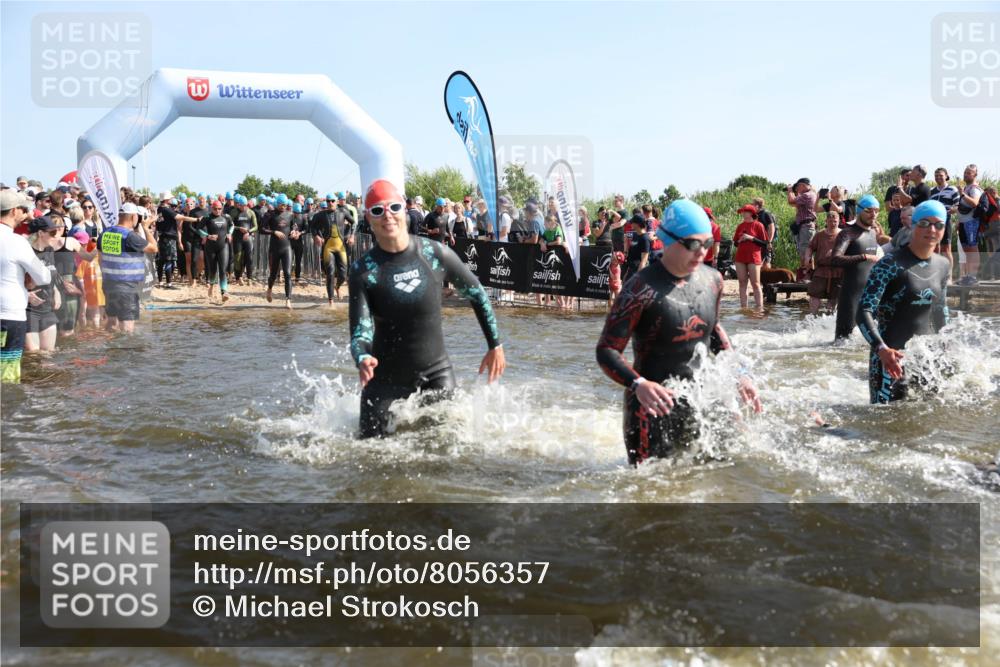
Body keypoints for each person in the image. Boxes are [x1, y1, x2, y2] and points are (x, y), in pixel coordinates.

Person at [596, 199, 762, 466]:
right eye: (694, 244)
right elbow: (607, 350)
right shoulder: (639, 288)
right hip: (650, 408)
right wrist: (638, 384)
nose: (702, 252)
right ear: (668, 240)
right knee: (651, 496)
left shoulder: (713, 281)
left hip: (699, 400)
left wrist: (739, 374)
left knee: (720, 477)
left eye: (707, 244)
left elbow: (713, 330)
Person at [348, 179, 505, 438]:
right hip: (385, 381)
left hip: (436, 374)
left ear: (404, 209)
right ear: (369, 218)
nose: (388, 215)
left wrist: (495, 344)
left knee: (451, 451)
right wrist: (362, 358)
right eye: (378, 210)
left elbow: (477, 294)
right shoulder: (363, 271)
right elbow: (360, 332)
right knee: (368, 455)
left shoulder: (435, 254)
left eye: (394, 207)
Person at [857, 201, 951, 404]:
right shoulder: (889, 264)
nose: (932, 230)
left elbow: (940, 309)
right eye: (924, 223)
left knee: (926, 423)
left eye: (939, 225)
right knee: (883, 425)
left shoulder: (943, 265)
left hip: (926, 358)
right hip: (890, 358)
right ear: (913, 225)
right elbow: (863, 311)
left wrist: (946, 342)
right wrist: (881, 349)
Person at [1, 191, 52, 382]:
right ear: (14, 211)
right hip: (8, 316)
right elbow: (44, 276)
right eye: (23, 209)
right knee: (7, 375)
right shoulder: (16, 241)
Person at [97, 202, 158, 333]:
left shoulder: (105, 234)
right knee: (127, 327)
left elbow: (100, 259)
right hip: (126, 287)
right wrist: (146, 228)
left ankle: (111, 350)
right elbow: (154, 248)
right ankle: (124, 352)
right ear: (133, 217)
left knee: (112, 323)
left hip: (108, 284)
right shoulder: (130, 237)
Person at [830, 194, 882, 341]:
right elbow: (835, 259)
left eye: (876, 210)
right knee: (842, 340)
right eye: (869, 210)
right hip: (850, 294)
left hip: (871, 293)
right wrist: (863, 257)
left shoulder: (873, 232)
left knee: (873, 340)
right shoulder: (847, 233)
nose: (873, 214)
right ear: (859, 211)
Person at [310, 196, 349, 304]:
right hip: (328, 247)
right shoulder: (321, 215)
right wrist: (316, 236)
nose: (330, 203)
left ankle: (337, 287)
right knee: (330, 273)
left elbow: (353, 222)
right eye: (328, 201)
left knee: (343, 274)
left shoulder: (343, 212)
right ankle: (330, 300)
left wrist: (351, 236)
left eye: (332, 201)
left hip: (340, 247)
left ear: (336, 202)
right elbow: (312, 226)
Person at [805, 210, 844, 315]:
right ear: (826, 221)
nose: (833, 223)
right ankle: (812, 319)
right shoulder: (819, 235)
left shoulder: (843, 235)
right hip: (821, 270)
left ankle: (829, 321)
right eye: (830, 221)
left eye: (835, 221)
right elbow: (810, 247)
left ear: (839, 221)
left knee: (833, 298)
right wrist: (807, 257)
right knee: (814, 295)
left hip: (838, 271)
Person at [262, 197, 298, 309]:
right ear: (277, 204)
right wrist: (274, 231)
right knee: (273, 274)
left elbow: (294, 226)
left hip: (287, 247)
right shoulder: (270, 215)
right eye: (281, 204)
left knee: (287, 273)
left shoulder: (290, 214)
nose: (283, 206)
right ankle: (269, 289)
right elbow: (261, 229)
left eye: (285, 205)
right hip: (274, 248)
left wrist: (294, 231)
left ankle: (288, 300)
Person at [198, 199, 234, 303]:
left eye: (219, 209)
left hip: (223, 246)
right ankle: (212, 286)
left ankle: (224, 292)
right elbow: (198, 229)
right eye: (215, 209)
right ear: (211, 208)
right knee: (213, 270)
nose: (217, 211)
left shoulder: (226, 217)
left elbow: (232, 225)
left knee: (223, 270)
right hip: (210, 247)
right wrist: (207, 236)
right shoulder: (207, 218)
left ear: (222, 208)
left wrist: (230, 233)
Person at [733, 204, 768, 309]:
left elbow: (765, 243)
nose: (742, 213)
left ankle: (759, 308)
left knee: (756, 284)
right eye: (742, 212)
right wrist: (739, 240)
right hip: (740, 257)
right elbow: (735, 243)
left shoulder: (759, 225)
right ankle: (744, 308)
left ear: (751, 213)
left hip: (754, 257)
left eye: (745, 211)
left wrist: (751, 238)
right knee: (742, 282)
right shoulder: (740, 226)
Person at [956, 164, 983, 284]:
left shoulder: (974, 188)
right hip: (963, 222)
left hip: (971, 222)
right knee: (967, 250)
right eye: (965, 172)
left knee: (972, 248)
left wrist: (962, 194)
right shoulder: (967, 188)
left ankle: (973, 277)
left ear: (975, 175)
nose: (965, 174)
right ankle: (968, 276)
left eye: (969, 173)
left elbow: (975, 203)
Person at [786, 177, 817, 282]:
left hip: (806, 227)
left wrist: (790, 190)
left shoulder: (807, 195)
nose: (796, 189)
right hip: (805, 227)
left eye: (797, 187)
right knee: (804, 252)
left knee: (806, 252)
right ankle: (806, 275)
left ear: (803, 185)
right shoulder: (808, 195)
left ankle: (808, 276)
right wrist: (794, 193)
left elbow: (791, 201)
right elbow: (794, 203)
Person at [929, 167, 960, 267]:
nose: (938, 178)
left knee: (946, 249)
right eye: (936, 176)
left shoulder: (952, 189)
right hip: (933, 223)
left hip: (945, 221)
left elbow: (958, 205)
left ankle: (949, 276)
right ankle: (936, 273)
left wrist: (953, 209)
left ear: (946, 176)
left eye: (941, 176)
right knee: (934, 248)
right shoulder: (931, 191)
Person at [753, 197, 776, 268]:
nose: (751, 206)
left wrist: (769, 241)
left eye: (752, 204)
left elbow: (772, 227)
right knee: (758, 260)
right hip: (757, 241)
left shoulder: (766, 214)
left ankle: (767, 277)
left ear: (757, 205)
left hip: (766, 241)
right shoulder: (755, 215)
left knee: (766, 261)